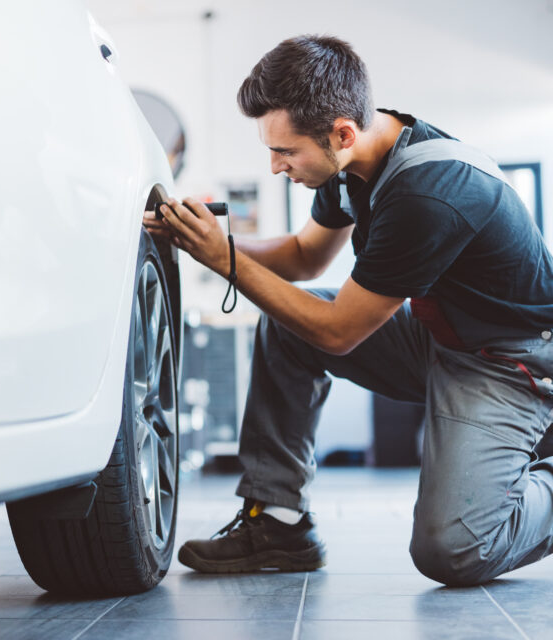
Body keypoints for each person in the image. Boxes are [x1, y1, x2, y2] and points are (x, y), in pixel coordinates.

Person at [143, 34, 553, 586]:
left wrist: (223, 259)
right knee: (288, 323)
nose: (275, 166)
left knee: (454, 550)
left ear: (342, 133)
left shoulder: (427, 192)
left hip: (511, 363)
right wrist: (207, 242)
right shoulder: (350, 164)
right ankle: (279, 522)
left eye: (286, 152)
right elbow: (305, 257)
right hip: (441, 338)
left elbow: (339, 334)